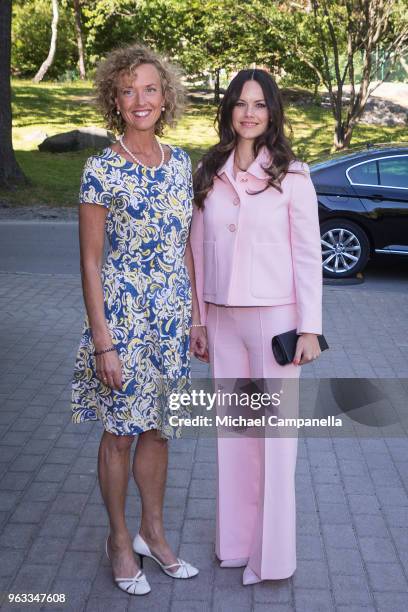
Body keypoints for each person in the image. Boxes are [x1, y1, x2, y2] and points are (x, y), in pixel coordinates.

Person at [71, 44, 199, 596]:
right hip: (122, 324)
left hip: (171, 323)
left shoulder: (181, 164)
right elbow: (91, 262)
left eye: (150, 88)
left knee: (159, 432)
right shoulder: (101, 169)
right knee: (120, 434)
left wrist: (196, 318)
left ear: (165, 95)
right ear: (115, 101)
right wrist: (103, 342)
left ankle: (154, 530)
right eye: (128, 90)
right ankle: (120, 538)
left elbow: (185, 246)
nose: (140, 99)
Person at [189, 68, 323, 585]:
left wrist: (309, 327)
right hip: (221, 319)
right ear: (228, 110)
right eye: (241, 103)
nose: (249, 112)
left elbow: (308, 257)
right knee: (235, 436)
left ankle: (271, 559)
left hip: (275, 323)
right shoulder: (209, 171)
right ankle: (236, 545)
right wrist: (198, 318)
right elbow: (197, 253)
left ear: (272, 113)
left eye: (260, 104)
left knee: (275, 441)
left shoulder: (293, 175)